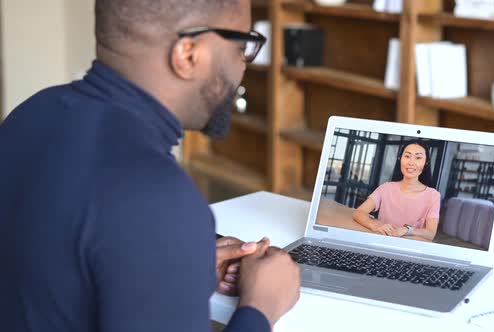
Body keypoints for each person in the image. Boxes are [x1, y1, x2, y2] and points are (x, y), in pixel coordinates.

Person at [0, 1, 299, 332]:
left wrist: (166, 265)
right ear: (188, 55)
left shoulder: (30, 114)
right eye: (241, 46)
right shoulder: (159, 200)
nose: (242, 64)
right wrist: (260, 307)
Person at [352, 141, 441, 241]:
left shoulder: (433, 195)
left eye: (418, 158)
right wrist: (374, 225)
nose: (411, 162)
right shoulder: (386, 188)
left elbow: (430, 233)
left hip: (409, 249)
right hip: (380, 242)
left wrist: (407, 230)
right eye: (407, 156)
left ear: (426, 163)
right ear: (400, 159)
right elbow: (359, 212)